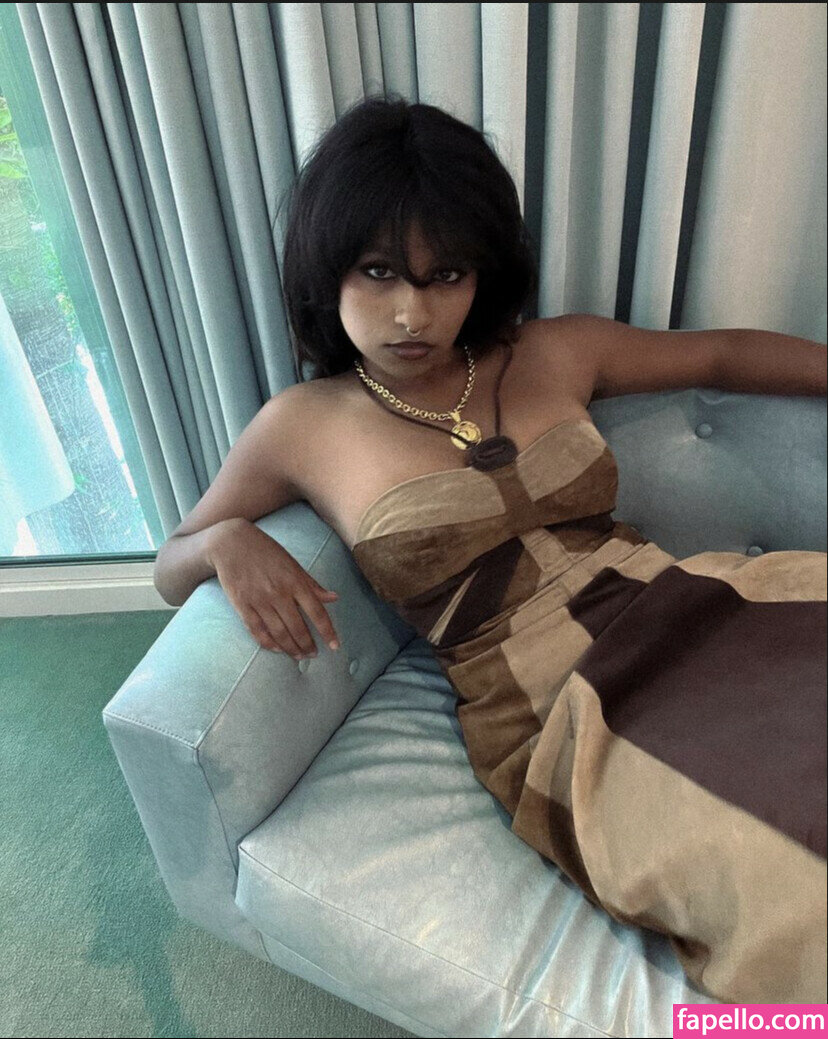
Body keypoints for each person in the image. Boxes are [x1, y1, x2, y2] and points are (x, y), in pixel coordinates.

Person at [153, 95, 827, 1004]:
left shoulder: (551, 351)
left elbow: (720, 355)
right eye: (378, 272)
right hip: (556, 710)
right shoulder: (301, 426)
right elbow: (170, 561)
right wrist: (224, 541)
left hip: (692, 610)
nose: (410, 312)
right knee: (787, 886)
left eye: (445, 274)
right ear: (326, 272)